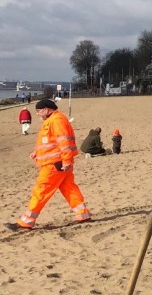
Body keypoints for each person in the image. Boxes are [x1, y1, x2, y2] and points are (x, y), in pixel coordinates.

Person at [7, 98, 92, 231]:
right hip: (60, 163)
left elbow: (64, 142)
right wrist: (37, 152)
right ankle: (83, 214)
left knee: (41, 190)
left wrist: (66, 160)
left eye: (39, 111)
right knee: (69, 188)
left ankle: (27, 222)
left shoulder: (56, 121)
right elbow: (50, 141)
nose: (37, 114)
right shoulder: (54, 120)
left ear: (46, 109)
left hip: (55, 165)